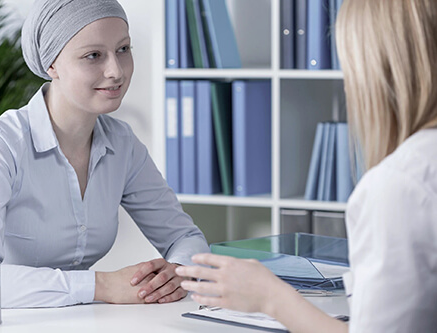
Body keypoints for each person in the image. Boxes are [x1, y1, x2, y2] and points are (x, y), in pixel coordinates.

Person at [176, 0, 437, 331]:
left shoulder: (400, 185)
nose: (347, 83)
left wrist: (270, 296)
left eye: (351, 63)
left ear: (379, 69)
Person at [0, 0, 209, 308]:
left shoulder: (122, 144)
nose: (116, 71)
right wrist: (101, 285)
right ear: (52, 65)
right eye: (93, 56)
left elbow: (184, 236)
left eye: (123, 49)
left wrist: (177, 273)